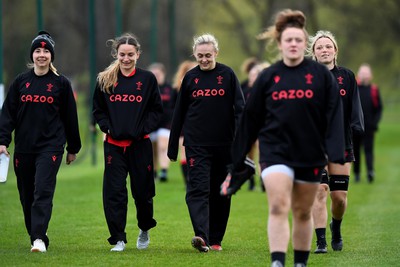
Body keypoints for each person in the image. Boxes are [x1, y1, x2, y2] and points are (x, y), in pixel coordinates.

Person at [220, 9, 345, 266]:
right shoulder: (268, 77)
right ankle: (277, 261)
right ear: (279, 43)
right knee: (278, 205)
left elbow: (333, 118)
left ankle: (300, 262)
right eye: (288, 39)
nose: (294, 44)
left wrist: (335, 154)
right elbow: (249, 121)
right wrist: (237, 161)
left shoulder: (321, 77)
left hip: (310, 152)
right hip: (275, 151)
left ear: (304, 43)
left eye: (299, 40)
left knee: (301, 211)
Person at [0, 31, 81, 253]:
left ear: (51, 56)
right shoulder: (21, 82)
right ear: (32, 55)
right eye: (38, 51)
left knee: (42, 191)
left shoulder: (61, 84)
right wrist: (2, 141)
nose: (42, 55)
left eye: (46, 51)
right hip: (24, 148)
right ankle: (36, 233)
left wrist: (72, 148)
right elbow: (7, 114)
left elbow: (70, 118)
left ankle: (38, 239)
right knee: (26, 195)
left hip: (51, 147)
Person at [167, 34, 245, 252]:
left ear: (216, 53)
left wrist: (241, 141)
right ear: (194, 54)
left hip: (224, 145)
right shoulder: (190, 78)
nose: (204, 59)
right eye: (200, 56)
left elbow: (240, 110)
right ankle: (201, 235)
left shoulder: (228, 75)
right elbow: (179, 113)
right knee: (197, 190)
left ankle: (216, 239)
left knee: (221, 191)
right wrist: (173, 146)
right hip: (196, 145)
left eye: (208, 55)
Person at [92, 33, 163, 252]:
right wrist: (107, 127)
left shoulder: (148, 79)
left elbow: (156, 111)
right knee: (114, 192)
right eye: (122, 54)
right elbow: (98, 111)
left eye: (130, 54)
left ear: (137, 55)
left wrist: (142, 129)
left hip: (140, 145)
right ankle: (119, 238)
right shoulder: (105, 79)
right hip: (113, 145)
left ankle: (144, 227)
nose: (126, 59)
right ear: (116, 54)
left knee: (142, 193)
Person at [308, 30, 364, 253]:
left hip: (341, 144)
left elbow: (354, 108)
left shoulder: (347, 77)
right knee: (320, 190)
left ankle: (336, 227)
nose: (324, 50)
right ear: (313, 52)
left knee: (339, 198)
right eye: (319, 47)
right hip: (313, 145)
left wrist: (356, 128)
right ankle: (321, 242)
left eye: (328, 46)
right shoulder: (306, 77)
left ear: (335, 51)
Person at [353, 63, 383, 183]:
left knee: (368, 150)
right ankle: (357, 174)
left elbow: (379, 108)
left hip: (369, 126)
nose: (364, 75)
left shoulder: (374, 90)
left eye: (366, 73)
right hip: (355, 126)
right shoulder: (354, 88)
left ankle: (370, 172)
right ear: (358, 74)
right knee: (355, 151)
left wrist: (374, 123)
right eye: (362, 73)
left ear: (370, 75)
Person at [171, 60, 197, 186]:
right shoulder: (177, 89)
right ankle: (187, 181)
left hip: (196, 124)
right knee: (184, 152)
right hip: (183, 124)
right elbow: (173, 108)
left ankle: (195, 178)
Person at [148, 62, 175, 182]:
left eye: (158, 74)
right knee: (152, 149)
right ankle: (153, 172)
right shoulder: (147, 89)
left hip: (166, 123)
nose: (156, 76)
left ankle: (163, 171)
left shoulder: (170, 89)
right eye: (153, 74)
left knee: (162, 145)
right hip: (151, 123)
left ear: (163, 74)